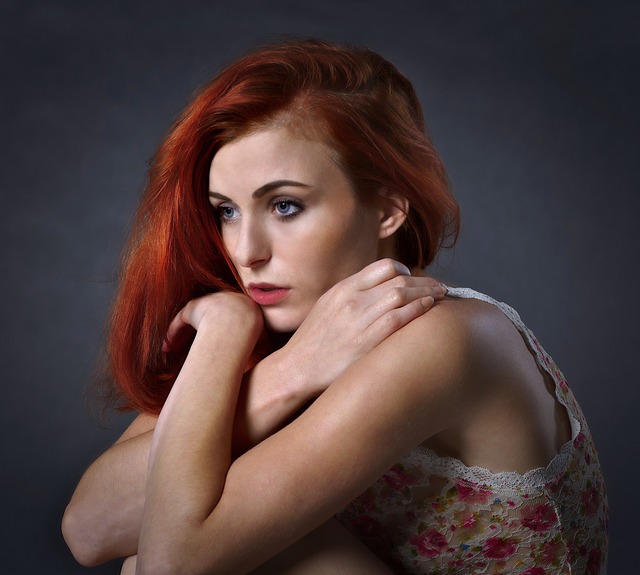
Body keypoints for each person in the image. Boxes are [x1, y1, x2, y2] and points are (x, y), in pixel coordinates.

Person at [61, 39, 608, 575]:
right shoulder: (285, 326)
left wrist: (239, 342)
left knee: (210, 549)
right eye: (226, 211)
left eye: (285, 205)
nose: (246, 252)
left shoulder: (443, 339)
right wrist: (276, 360)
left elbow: (172, 565)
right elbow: (89, 530)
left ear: (387, 209)